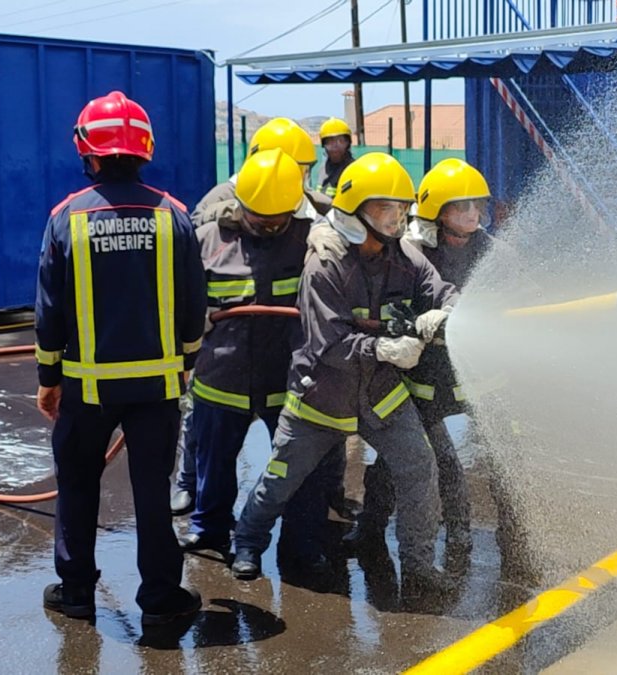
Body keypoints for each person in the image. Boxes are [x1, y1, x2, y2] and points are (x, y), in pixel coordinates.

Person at [230, 153, 456, 601]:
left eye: (400, 210)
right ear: (354, 211)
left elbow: (440, 289)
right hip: (322, 394)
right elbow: (328, 345)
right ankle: (248, 544)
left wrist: (447, 311)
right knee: (280, 479)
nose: (395, 220)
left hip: (380, 391)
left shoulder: (404, 257)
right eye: (383, 209)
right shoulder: (326, 265)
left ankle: (419, 566)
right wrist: (383, 348)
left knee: (419, 466)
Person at [35, 90, 206, 625]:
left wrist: (48, 377)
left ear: (87, 151)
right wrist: (185, 363)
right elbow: (194, 304)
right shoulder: (174, 215)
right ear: (144, 149)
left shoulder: (66, 218)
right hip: (157, 389)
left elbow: (49, 310)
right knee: (153, 493)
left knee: (78, 486)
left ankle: (76, 593)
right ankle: (160, 600)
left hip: (86, 389)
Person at [177, 148, 342, 576]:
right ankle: (210, 529)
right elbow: (179, 297)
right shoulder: (207, 239)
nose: (267, 227)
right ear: (240, 204)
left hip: (288, 380)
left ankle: (301, 545)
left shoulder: (311, 238)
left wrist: (329, 244)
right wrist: (192, 320)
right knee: (214, 463)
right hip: (221, 377)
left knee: (299, 469)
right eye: (257, 219)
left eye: (277, 220)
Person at [343, 159, 490, 570]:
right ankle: (373, 529)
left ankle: (458, 533)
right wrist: (412, 326)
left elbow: (512, 290)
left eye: (476, 206)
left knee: (435, 460)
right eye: (461, 207)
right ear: (437, 212)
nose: (472, 215)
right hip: (417, 375)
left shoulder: (490, 249)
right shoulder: (412, 249)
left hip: (464, 375)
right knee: (425, 459)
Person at [315, 117, 356, 198]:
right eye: (330, 142)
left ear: (348, 143)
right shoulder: (323, 169)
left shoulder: (354, 169)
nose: (335, 147)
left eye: (340, 141)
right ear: (324, 145)